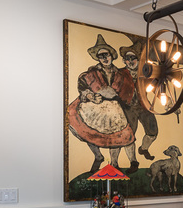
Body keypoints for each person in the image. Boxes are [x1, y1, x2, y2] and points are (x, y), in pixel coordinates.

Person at [67, 34, 135, 174]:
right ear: (98, 58)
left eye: (107, 55)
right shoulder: (91, 73)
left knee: (121, 135)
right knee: (88, 131)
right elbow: (82, 87)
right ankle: (98, 156)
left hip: (115, 109)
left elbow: (126, 92)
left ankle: (121, 164)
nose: (104, 58)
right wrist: (90, 96)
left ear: (112, 56)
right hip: (95, 107)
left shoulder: (120, 74)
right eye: (101, 56)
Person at [115, 40, 158, 168]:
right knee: (129, 135)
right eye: (127, 58)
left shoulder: (146, 74)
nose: (129, 61)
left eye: (132, 58)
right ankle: (133, 161)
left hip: (144, 106)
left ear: (139, 60)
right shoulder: (120, 73)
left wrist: (169, 101)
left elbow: (156, 88)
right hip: (127, 107)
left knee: (153, 132)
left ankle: (143, 148)